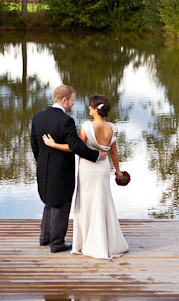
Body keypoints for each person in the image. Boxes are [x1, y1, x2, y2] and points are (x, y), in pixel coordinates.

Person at [42, 94, 129, 260]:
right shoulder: (113, 127)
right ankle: (107, 241)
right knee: (103, 201)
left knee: (87, 203)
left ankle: (88, 242)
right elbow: (114, 152)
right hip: (103, 169)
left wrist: (54, 145)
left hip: (88, 169)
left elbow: (75, 147)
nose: (88, 108)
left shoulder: (87, 126)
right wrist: (118, 171)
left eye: (90, 106)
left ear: (96, 109)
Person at [30, 85, 107, 253]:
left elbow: (34, 145)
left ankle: (45, 238)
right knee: (61, 204)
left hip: (43, 167)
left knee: (49, 202)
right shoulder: (66, 121)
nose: (73, 104)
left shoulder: (38, 117)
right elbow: (76, 146)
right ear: (64, 100)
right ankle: (56, 244)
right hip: (61, 169)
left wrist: (42, 161)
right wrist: (96, 156)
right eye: (72, 100)